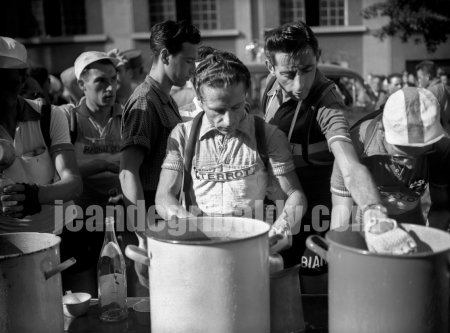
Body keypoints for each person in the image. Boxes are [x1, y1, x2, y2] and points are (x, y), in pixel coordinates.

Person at [261, 21, 413, 293]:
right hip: (279, 195)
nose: (299, 84)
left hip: (319, 202)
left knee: (312, 275)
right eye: (288, 74)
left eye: (308, 69)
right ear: (270, 67)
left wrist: (375, 214)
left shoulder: (327, 101)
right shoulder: (269, 85)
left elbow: (349, 164)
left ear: (318, 58)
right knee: (273, 276)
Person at [152, 54, 306, 288]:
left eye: (236, 106)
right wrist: (189, 226)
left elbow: (295, 195)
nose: (229, 119)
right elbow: (164, 196)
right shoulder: (182, 136)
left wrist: (281, 229)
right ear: (200, 100)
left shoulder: (269, 136)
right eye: (218, 110)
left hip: (253, 251)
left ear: (246, 95)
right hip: (200, 252)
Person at [331, 87, 450, 232]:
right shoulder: (357, 144)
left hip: (409, 214)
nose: (410, 164)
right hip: (362, 216)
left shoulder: (441, 146)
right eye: (401, 155)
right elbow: (340, 217)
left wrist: (431, 243)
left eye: (420, 153)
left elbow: (442, 206)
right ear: (382, 131)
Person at [0, 36, 82, 233]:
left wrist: (35, 196)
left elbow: (73, 184)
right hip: (10, 242)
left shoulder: (49, 116)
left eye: (6, 81)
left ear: (22, 79)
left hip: (62, 231)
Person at [120, 20, 201, 217]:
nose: (193, 69)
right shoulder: (144, 101)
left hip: (168, 206)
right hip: (150, 209)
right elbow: (127, 172)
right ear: (165, 55)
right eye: (189, 61)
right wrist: (142, 231)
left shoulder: (165, 98)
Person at [416, 60, 450, 134]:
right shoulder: (444, 86)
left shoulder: (430, 92)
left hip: (440, 134)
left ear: (428, 76)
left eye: (420, 78)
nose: (418, 81)